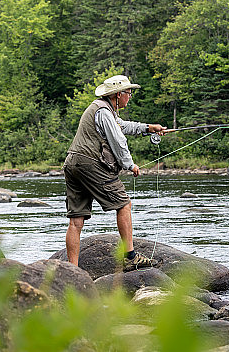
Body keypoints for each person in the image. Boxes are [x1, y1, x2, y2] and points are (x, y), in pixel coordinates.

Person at [64, 74, 166, 271]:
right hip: (90, 164)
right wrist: (130, 165)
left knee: (76, 220)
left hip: (73, 163)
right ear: (118, 95)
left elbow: (123, 126)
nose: (130, 97)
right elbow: (118, 141)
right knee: (124, 204)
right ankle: (130, 257)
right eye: (128, 93)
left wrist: (148, 128)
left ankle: (71, 271)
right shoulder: (103, 112)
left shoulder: (103, 110)